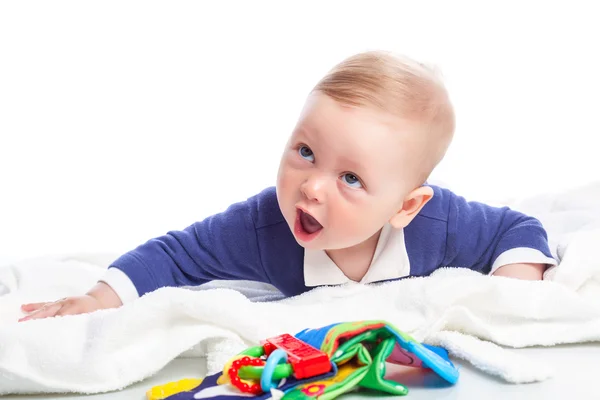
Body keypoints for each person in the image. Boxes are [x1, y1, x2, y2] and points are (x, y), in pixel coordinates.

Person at [19, 50, 557, 322]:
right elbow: (175, 254)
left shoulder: (440, 224)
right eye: (305, 152)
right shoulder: (260, 228)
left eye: (350, 178)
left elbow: (519, 227)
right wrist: (98, 297)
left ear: (406, 206)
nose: (312, 188)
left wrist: (509, 291)